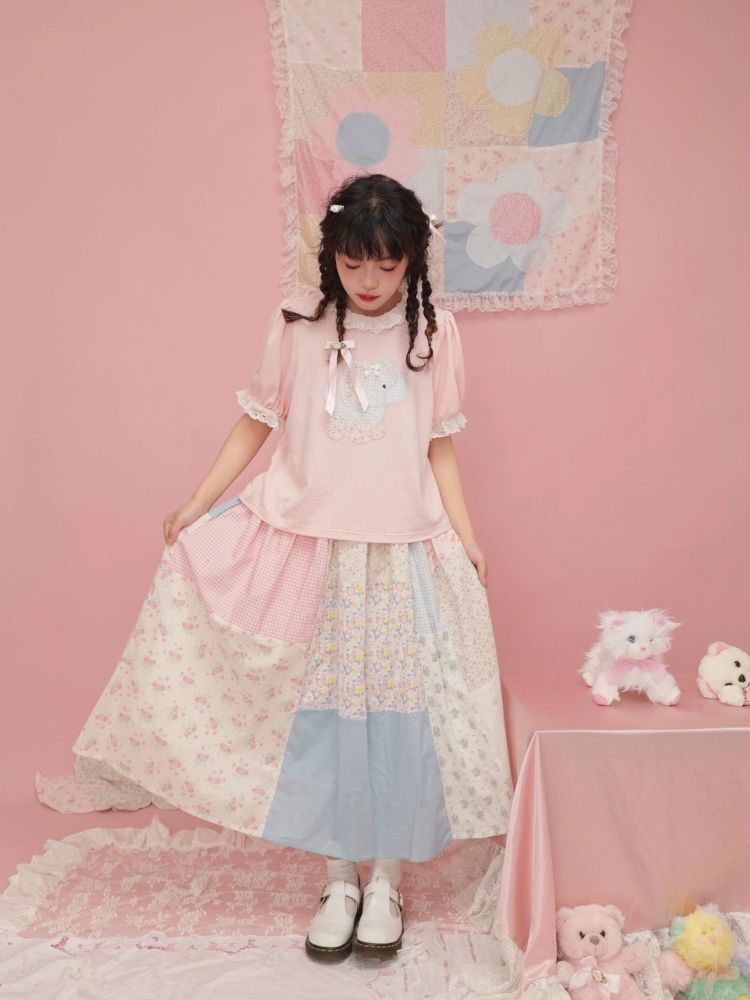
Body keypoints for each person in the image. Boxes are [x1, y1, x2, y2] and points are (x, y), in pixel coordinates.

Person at [46, 173, 513, 962]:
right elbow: (256, 423)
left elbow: (439, 446)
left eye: (387, 264)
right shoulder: (299, 324)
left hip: (399, 555)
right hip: (309, 550)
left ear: (412, 260)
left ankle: (387, 879)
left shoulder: (434, 333)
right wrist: (198, 502)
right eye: (353, 263)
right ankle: (338, 877)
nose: (369, 281)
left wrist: (466, 536)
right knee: (322, 721)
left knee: (397, 722)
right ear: (332, 255)